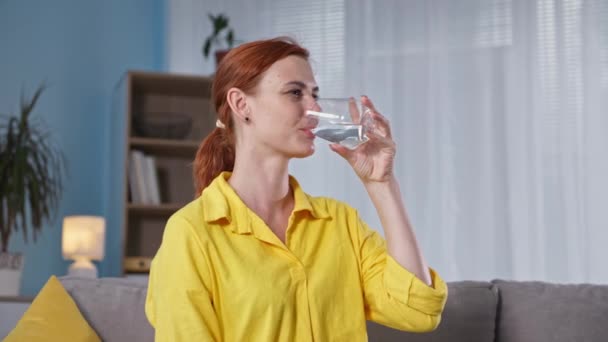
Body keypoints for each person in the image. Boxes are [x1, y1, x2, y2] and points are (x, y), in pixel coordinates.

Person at [145, 37, 448, 341]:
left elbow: (418, 312)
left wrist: (382, 184)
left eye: (315, 94)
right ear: (241, 104)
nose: (315, 108)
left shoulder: (339, 222)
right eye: (295, 93)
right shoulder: (192, 232)